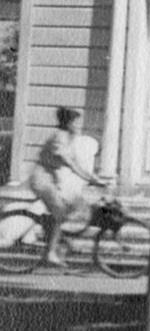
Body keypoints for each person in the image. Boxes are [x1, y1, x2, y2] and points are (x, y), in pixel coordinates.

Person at [26, 108, 105, 269]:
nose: (77, 125)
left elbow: (78, 162)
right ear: (68, 123)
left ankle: (52, 233)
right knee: (60, 212)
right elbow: (70, 163)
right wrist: (90, 179)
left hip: (51, 179)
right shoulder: (59, 138)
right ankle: (50, 253)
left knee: (71, 206)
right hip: (41, 179)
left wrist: (94, 178)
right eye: (75, 122)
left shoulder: (68, 138)